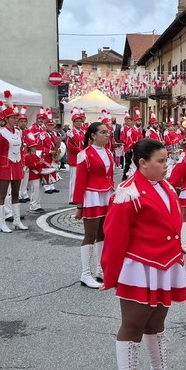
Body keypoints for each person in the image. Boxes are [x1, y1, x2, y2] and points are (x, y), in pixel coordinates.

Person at [102, 138, 186, 370]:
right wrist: (111, 275)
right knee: (133, 324)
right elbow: (115, 236)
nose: (166, 165)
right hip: (140, 267)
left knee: (157, 322)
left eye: (166, 160)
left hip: (166, 264)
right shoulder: (128, 191)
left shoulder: (167, 187)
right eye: (160, 161)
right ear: (142, 163)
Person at [73, 122, 115, 288]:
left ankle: (100, 269)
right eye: (103, 132)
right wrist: (79, 206)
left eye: (107, 132)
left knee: (103, 233)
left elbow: (110, 176)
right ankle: (85, 274)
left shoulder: (109, 153)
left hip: (106, 195)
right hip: (91, 195)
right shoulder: (84, 155)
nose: (107, 135)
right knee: (90, 234)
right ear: (93, 136)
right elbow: (80, 182)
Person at [0, 91, 28, 233]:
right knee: (2, 194)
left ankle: (17, 220)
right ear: (6, 119)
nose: (15, 120)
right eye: (12, 118)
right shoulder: (0, 133)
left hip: (17, 165)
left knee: (16, 193)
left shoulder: (18, 132)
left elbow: (20, 149)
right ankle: (2, 223)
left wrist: (22, 163)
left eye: (16, 117)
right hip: (5, 166)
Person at [66, 107, 86, 203]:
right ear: (73, 122)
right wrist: (80, 150)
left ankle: (78, 197)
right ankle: (71, 198)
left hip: (82, 159)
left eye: (80, 121)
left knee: (80, 179)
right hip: (74, 159)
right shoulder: (71, 133)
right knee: (73, 179)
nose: (79, 123)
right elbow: (70, 146)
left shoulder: (83, 133)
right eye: (76, 121)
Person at [23, 141, 47, 214]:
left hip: (38, 174)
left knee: (38, 191)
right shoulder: (27, 156)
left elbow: (38, 164)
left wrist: (43, 164)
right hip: (33, 175)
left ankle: (37, 205)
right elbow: (31, 166)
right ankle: (33, 206)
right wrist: (39, 163)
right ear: (29, 148)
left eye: (35, 147)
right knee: (34, 191)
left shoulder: (35, 155)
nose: (34, 148)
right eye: (33, 147)